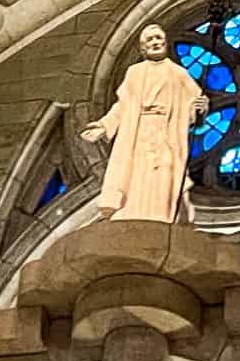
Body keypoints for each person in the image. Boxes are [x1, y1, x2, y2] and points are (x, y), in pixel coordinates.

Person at [86, 23, 206, 223]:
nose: (155, 42)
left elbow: (193, 104)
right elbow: (123, 105)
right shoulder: (135, 72)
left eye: (159, 38)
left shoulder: (178, 73)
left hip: (166, 131)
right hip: (139, 131)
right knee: (137, 172)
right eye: (150, 40)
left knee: (165, 170)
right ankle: (133, 215)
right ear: (142, 49)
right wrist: (103, 126)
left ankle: (162, 217)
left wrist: (199, 108)